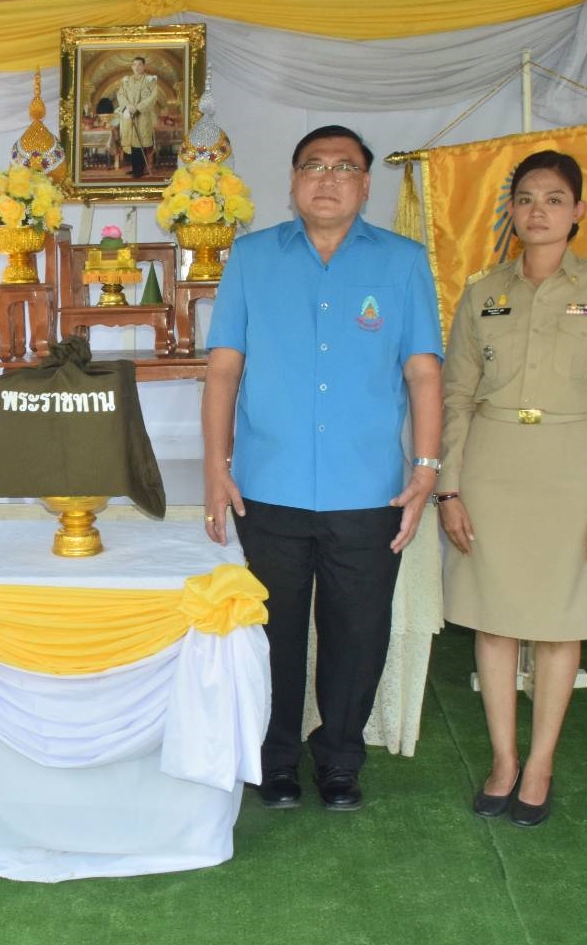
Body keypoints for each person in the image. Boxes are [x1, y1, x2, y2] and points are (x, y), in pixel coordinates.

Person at [202, 126, 443, 812]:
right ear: (291, 181)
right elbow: (222, 371)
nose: (327, 177)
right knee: (268, 635)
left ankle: (339, 760)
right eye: (312, 165)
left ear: (366, 185)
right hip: (266, 489)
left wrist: (425, 466)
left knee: (356, 633)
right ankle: (273, 759)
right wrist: (217, 467)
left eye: (344, 167)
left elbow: (424, 373)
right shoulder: (251, 259)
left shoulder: (401, 262)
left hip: (368, 489)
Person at [437, 150, 587, 827]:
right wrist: (450, 488)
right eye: (525, 197)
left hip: (571, 467)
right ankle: (501, 758)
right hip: (492, 466)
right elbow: (457, 395)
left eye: (554, 198)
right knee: (493, 621)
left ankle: (539, 764)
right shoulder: (482, 291)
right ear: (510, 210)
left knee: (558, 627)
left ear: (578, 211)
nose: (537, 210)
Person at [115, 56, 160, 179]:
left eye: (139, 64)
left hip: (143, 115)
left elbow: (153, 97)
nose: (137, 67)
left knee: (140, 142)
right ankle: (135, 168)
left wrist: (138, 107)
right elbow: (120, 95)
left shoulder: (150, 80)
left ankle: (139, 170)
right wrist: (128, 106)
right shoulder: (126, 81)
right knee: (132, 142)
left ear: (144, 66)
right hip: (129, 114)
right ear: (131, 67)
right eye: (134, 65)